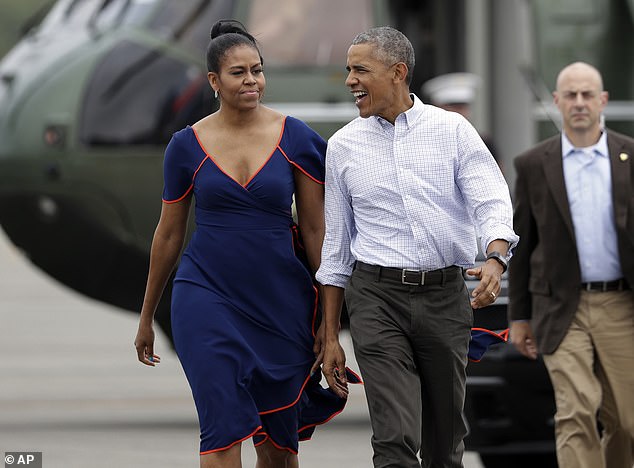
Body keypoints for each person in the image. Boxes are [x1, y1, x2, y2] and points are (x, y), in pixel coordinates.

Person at [134, 19, 357, 468]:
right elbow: (169, 234)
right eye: (239, 72)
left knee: (278, 448)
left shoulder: (297, 138)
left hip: (281, 301)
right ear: (215, 81)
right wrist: (146, 317)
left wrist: (329, 324)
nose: (252, 80)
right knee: (221, 432)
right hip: (205, 294)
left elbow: (317, 233)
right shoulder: (185, 146)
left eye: (257, 70)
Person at [315, 26, 518, 468]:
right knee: (394, 437)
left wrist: (496, 257)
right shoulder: (343, 146)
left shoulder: (452, 131)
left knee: (444, 443)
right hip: (375, 297)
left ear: (397, 73)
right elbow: (336, 250)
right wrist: (330, 336)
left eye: (360, 70)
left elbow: (491, 198)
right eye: (348, 69)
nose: (349, 80)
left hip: (445, 297)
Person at [508, 61, 634, 468]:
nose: (579, 103)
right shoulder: (533, 164)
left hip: (622, 305)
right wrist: (519, 317)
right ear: (558, 101)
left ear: (602, 101)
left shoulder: (629, 156)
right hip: (562, 308)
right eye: (571, 95)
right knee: (577, 410)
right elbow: (523, 245)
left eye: (587, 94)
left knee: (627, 422)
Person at [422, 72, 499, 167]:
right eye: (454, 106)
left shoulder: (484, 141)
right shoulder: (423, 142)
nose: (460, 112)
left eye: (463, 106)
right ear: (437, 107)